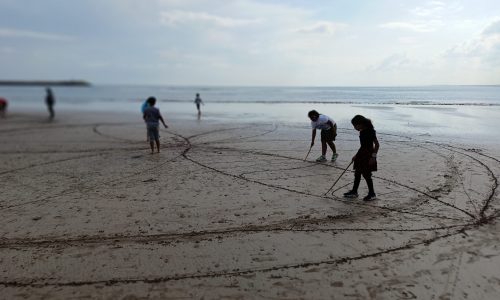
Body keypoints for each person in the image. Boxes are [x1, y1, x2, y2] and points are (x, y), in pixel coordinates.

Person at [344, 115, 379, 201]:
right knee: (357, 173)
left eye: (355, 125)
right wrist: (356, 155)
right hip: (361, 153)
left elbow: (377, 145)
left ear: (361, 123)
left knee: (366, 174)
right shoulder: (362, 131)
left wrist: (373, 157)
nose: (355, 127)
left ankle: (372, 194)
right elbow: (362, 146)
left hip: (368, 154)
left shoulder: (370, 131)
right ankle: (354, 191)